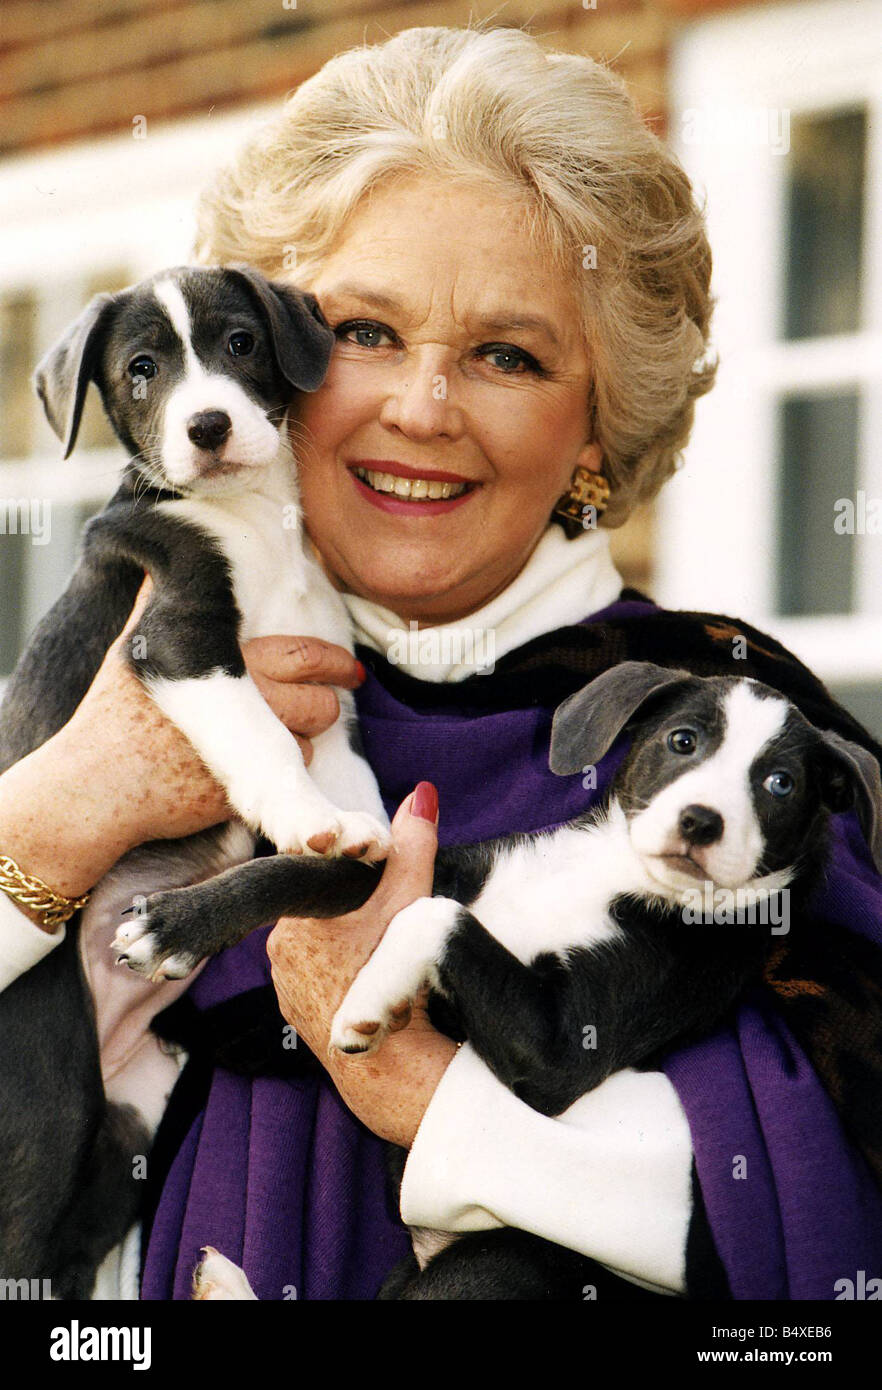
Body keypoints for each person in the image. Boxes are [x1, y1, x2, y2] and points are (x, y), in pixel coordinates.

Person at [0, 24, 880, 1301]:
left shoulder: (732, 739)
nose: (423, 406)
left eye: (508, 354)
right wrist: (65, 811)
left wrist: (435, 1096)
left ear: (598, 422)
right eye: (363, 330)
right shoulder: (116, 671)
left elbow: (831, 1210)